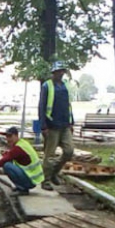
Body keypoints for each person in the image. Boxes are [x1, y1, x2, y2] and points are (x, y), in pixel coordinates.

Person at [0, 126, 44, 196]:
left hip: (31, 180)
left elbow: (2, 161)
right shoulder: (23, 143)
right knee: (8, 162)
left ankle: (22, 189)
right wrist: (6, 154)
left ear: (16, 135)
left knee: (7, 165)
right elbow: (12, 155)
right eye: (7, 137)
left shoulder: (18, 148)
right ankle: (21, 186)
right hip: (33, 179)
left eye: (10, 136)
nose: (8, 139)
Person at [38, 61, 74, 191]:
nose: (61, 73)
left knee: (69, 151)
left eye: (62, 71)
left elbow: (68, 106)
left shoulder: (64, 86)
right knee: (49, 155)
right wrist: (43, 126)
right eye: (59, 71)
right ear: (54, 72)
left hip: (65, 125)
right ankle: (46, 180)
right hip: (52, 125)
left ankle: (54, 172)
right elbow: (42, 106)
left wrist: (71, 122)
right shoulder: (47, 86)